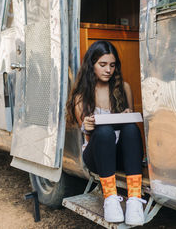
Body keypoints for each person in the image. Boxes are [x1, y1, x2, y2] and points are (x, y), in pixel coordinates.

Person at [66, 40, 146, 225]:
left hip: (121, 155)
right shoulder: (82, 95)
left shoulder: (123, 88)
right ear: (91, 65)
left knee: (130, 127)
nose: (108, 70)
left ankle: (134, 200)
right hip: (97, 157)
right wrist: (87, 125)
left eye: (112, 65)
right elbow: (88, 138)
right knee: (103, 132)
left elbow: (130, 134)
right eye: (102, 65)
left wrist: (128, 115)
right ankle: (110, 199)